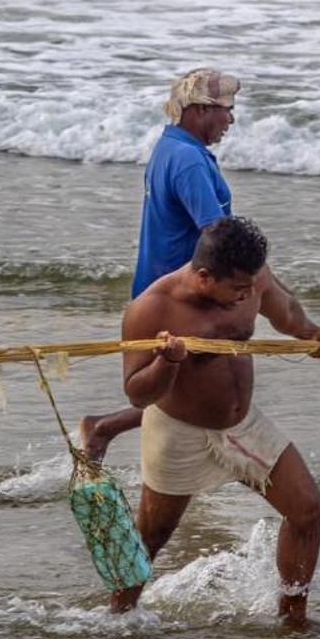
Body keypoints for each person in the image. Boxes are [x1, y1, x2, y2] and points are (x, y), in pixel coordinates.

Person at [116, 216, 320, 626]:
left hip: (241, 424)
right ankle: (118, 617)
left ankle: (292, 619)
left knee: (308, 510)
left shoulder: (251, 277)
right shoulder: (151, 309)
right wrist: (168, 362)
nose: (250, 293)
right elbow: (137, 393)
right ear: (202, 277)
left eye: (253, 285)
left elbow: (284, 310)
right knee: (152, 536)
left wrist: (310, 332)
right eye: (238, 289)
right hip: (177, 430)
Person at [81, 69, 273, 461]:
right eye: (226, 110)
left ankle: (107, 429)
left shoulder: (171, 147)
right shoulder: (188, 161)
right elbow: (218, 235)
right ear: (201, 110)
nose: (231, 120)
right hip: (178, 296)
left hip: (165, 285)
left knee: (179, 379)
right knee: (185, 381)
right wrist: (256, 284)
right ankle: (106, 428)